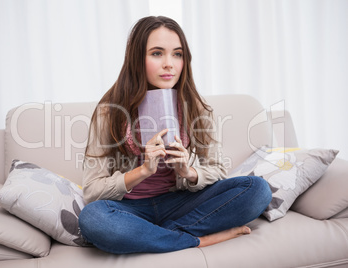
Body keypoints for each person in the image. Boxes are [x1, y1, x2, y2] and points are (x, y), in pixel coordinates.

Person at [78, 16, 272, 254]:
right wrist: (143, 171)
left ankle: (155, 235)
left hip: (182, 203)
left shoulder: (198, 109)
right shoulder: (109, 112)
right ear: (137, 59)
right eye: (157, 53)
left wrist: (188, 172)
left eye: (177, 54)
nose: (169, 64)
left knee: (257, 189)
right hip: (129, 208)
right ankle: (198, 239)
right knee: (93, 219)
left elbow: (218, 170)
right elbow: (91, 191)